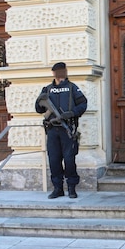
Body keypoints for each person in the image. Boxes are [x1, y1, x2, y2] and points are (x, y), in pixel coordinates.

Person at [35, 62, 88, 199]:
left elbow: (83, 104)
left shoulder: (72, 88)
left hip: (67, 129)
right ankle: (58, 188)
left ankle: (71, 188)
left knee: (69, 160)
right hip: (52, 130)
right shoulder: (47, 89)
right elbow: (39, 108)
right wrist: (41, 103)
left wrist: (71, 113)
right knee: (54, 160)